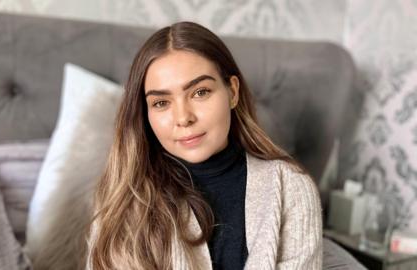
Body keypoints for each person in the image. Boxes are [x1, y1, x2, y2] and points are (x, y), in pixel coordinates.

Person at [85, 21, 323, 270]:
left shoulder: (290, 188)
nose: (183, 118)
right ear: (145, 114)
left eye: (200, 92)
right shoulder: (124, 199)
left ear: (232, 92)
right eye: (161, 103)